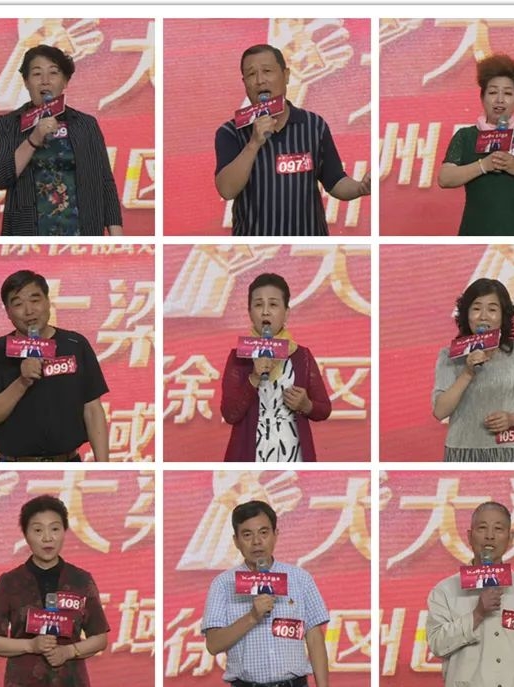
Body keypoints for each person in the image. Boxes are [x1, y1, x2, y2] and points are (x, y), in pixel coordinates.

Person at [215, 44, 371, 236]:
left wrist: (360, 188)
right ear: (245, 83)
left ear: (286, 75)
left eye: (267, 71)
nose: (260, 80)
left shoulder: (313, 125)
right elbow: (227, 190)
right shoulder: (230, 132)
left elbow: (335, 181)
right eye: (251, 74)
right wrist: (254, 143)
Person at [0, 44, 123, 236]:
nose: (45, 81)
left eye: (53, 73)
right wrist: (34, 138)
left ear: (65, 81)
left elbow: (105, 182)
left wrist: (117, 237)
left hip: (83, 230)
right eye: (36, 74)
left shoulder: (85, 124)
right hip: (29, 233)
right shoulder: (8, 124)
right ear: (26, 82)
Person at [0, 270, 110, 462]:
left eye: (35, 300)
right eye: (18, 304)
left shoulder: (75, 344)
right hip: (14, 464)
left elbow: (92, 409)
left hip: (68, 462)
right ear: (7, 312)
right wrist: (22, 382)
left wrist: (103, 465)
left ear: (48, 302)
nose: (29, 311)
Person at [426, 501, 514, 687]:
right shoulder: (446, 591)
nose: (489, 536)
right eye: (482, 528)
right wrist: (477, 614)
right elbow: (437, 645)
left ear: (510, 537)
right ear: (469, 536)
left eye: (498, 529)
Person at [0, 495, 109, 686]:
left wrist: (69, 651)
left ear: (64, 531)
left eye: (55, 529)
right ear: (26, 535)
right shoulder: (10, 582)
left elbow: (100, 637)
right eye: (38, 530)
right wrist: (30, 645)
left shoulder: (81, 580)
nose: (47, 538)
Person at [202, 500, 329, 687]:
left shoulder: (300, 579)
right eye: (247, 535)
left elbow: (314, 638)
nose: (257, 542)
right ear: (236, 541)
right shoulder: (223, 584)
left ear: (275, 534)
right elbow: (213, 645)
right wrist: (253, 617)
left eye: (263, 533)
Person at [437, 53, 514, 236]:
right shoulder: (466, 136)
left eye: (508, 93)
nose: (500, 100)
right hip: (476, 232)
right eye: (493, 92)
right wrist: (483, 165)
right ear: (482, 97)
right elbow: (445, 178)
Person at [432, 278, 514, 462]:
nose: (483, 316)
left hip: (507, 451)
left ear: (503, 316)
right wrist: (468, 372)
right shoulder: (450, 355)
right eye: (476, 308)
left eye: (492, 310)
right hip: (462, 451)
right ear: (466, 314)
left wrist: (513, 420)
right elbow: (440, 411)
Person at [220, 273, 332, 461]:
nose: (265, 312)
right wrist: (254, 378)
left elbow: (324, 409)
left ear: (286, 312)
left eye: (273, 304)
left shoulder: (301, 356)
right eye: (258, 305)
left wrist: (306, 405)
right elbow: (230, 414)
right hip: (250, 455)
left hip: (293, 451)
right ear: (249, 312)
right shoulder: (239, 357)